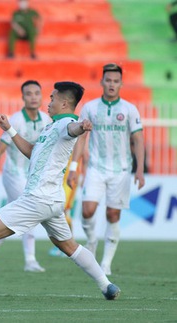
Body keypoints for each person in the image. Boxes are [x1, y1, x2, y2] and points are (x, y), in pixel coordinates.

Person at [0, 82, 122, 301]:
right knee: (69, 246)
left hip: (37, 198)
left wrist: (81, 127)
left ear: (63, 102)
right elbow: (33, 152)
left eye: (52, 98)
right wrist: (10, 129)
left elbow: (73, 129)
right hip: (52, 200)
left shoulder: (66, 124)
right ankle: (106, 285)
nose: (48, 102)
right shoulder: (51, 127)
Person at [67, 63, 145, 276]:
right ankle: (92, 240)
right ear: (102, 82)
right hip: (96, 168)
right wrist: (74, 167)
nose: (111, 84)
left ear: (121, 83)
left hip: (121, 170)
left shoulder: (129, 109)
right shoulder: (90, 108)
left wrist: (139, 170)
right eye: (108, 80)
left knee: (113, 215)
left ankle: (106, 263)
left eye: (115, 81)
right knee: (87, 210)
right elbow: (81, 139)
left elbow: (138, 139)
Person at [0, 80, 51, 272]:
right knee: (30, 212)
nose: (33, 97)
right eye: (29, 93)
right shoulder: (17, 120)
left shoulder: (46, 120)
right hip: (13, 174)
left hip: (30, 176)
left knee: (10, 219)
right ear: (23, 97)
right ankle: (30, 260)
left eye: (37, 93)